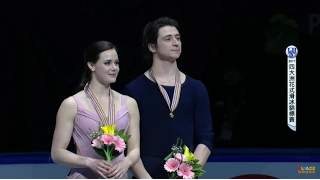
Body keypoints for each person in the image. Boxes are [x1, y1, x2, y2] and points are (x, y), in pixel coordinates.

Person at [123, 17, 214, 179]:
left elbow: (205, 138)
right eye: (168, 38)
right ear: (152, 47)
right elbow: (129, 145)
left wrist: (189, 174)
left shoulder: (196, 88)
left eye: (178, 38)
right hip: (146, 174)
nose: (176, 43)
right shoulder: (134, 89)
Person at [51, 41, 140, 179]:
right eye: (107, 63)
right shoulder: (72, 104)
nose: (114, 68)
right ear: (91, 65)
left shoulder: (129, 103)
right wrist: (89, 162)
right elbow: (57, 153)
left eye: (116, 63)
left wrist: (125, 162)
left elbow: (134, 149)